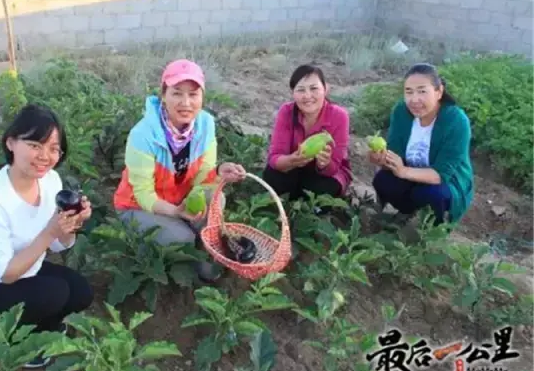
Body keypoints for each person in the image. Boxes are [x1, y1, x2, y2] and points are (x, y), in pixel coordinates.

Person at [0, 104, 94, 369]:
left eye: (53, 148)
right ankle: (19, 342)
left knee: (81, 291)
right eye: (35, 145)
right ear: (11, 142)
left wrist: (71, 225)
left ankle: (42, 330)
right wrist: (49, 232)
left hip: (30, 268)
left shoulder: (51, 181)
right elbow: (7, 273)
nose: (45, 156)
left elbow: (59, 245)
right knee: (55, 293)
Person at [113, 59, 246, 282]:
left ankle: (207, 248)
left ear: (202, 98)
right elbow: (143, 194)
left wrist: (219, 173)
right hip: (138, 205)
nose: (186, 102)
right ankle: (178, 250)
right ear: (164, 95)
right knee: (181, 237)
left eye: (193, 94)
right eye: (177, 93)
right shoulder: (143, 134)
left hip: (180, 198)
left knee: (216, 198)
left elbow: (203, 178)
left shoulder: (206, 125)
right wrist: (176, 212)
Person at [367, 63, 474, 226]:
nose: (414, 99)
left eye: (422, 91)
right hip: (410, 175)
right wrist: (382, 160)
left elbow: (441, 174)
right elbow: (395, 154)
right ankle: (405, 214)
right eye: (408, 92)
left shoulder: (456, 121)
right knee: (382, 180)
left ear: (439, 92)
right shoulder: (401, 112)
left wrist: (403, 171)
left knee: (433, 194)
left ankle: (434, 228)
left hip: (444, 182)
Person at [263, 64, 352, 205]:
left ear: (325, 89)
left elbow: (334, 167)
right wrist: (292, 160)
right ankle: (291, 204)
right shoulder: (286, 112)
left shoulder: (339, 116)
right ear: (293, 93)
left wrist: (324, 163)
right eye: (300, 90)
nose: (307, 96)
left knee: (322, 191)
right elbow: (275, 158)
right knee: (271, 176)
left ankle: (301, 206)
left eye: (314, 88)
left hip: (324, 176)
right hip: (293, 168)